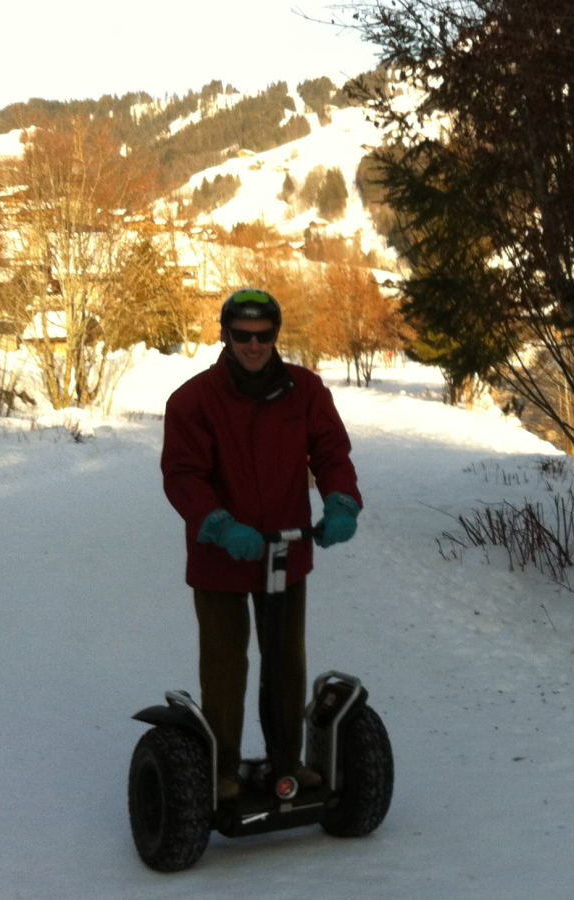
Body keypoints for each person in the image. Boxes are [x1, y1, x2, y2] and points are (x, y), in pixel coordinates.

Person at [161, 287, 363, 800]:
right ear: (225, 335)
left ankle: (286, 763)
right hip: (222, 554)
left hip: (285, 551)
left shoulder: (306, 391)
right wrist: (219, 524)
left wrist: (341, 501)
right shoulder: (193, 400)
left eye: (264, 336)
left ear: (276, 335)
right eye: (242, 335)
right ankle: (223, 770)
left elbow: (331, 452)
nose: (253, 345)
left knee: (285, 661)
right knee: (226, 666)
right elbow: (183, 475)